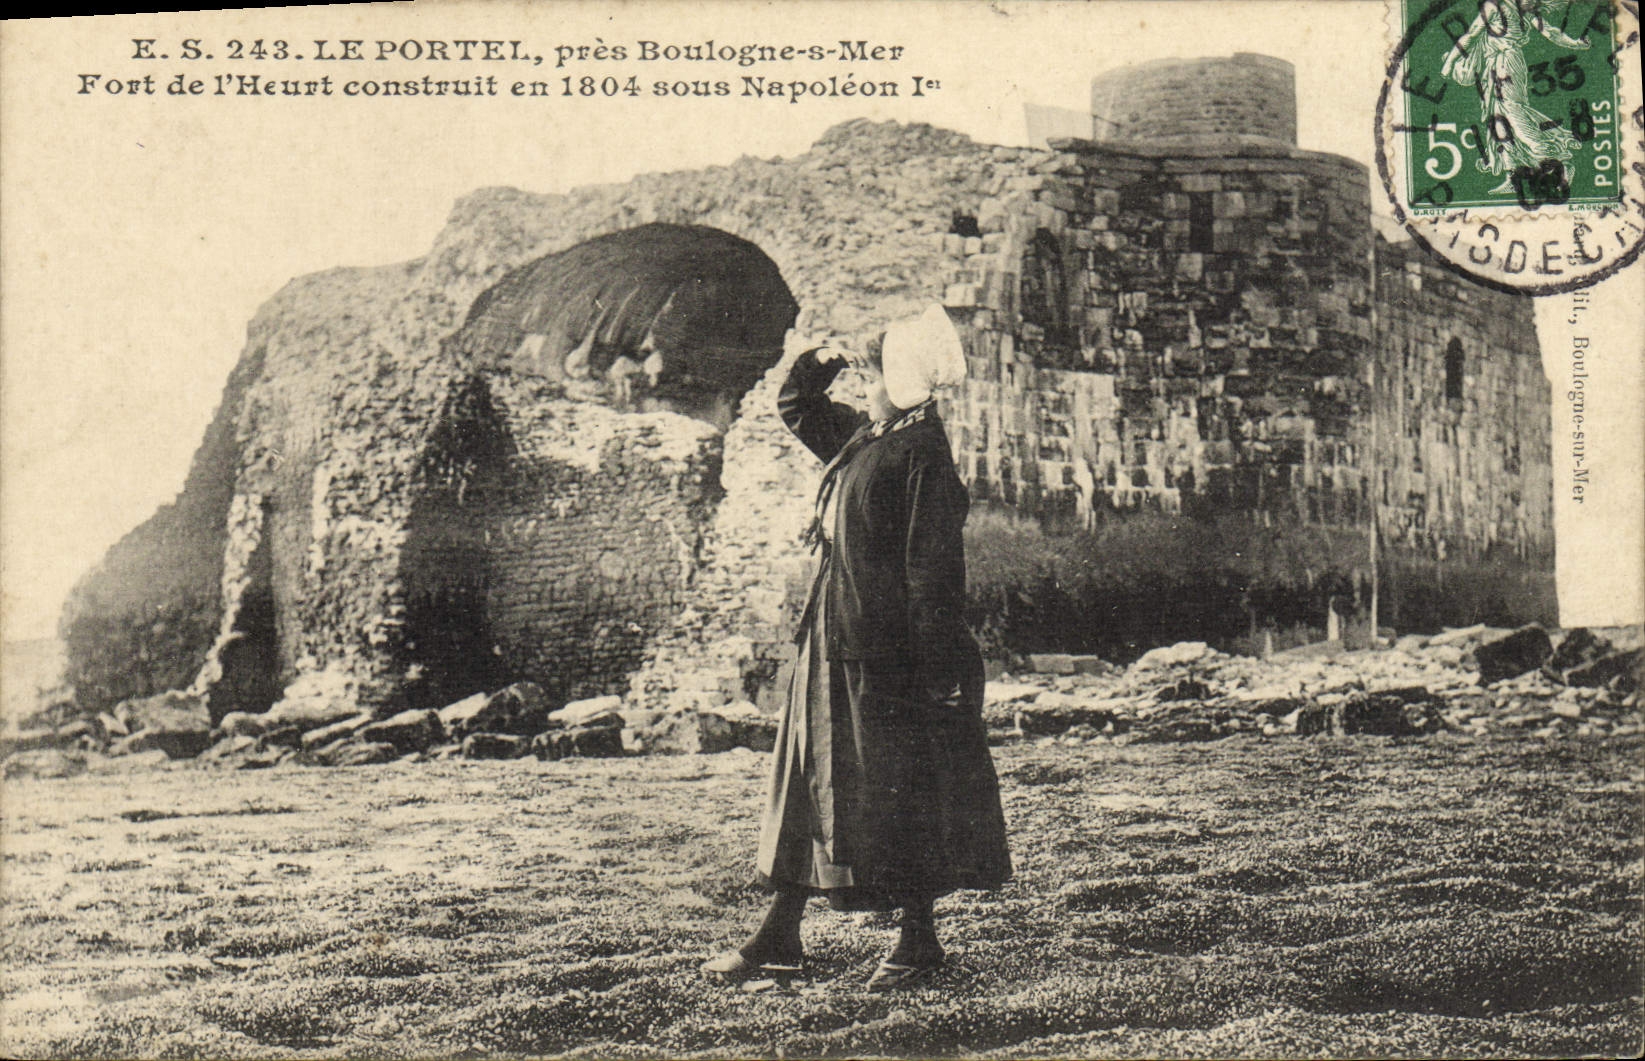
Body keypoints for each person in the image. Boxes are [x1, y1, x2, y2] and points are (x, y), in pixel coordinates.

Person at [702, 305, 1012, 991]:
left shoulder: (921, 454)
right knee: (806, 789)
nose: (863, 385)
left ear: (901, 379)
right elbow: (796, 406)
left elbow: (930, 575)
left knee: (897, 791)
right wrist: (824, 358)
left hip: (882, 658)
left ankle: (917, 942)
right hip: (830, 642)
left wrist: (934, 669)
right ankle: (778, 938)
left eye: (872, 372)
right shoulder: (864, 438)